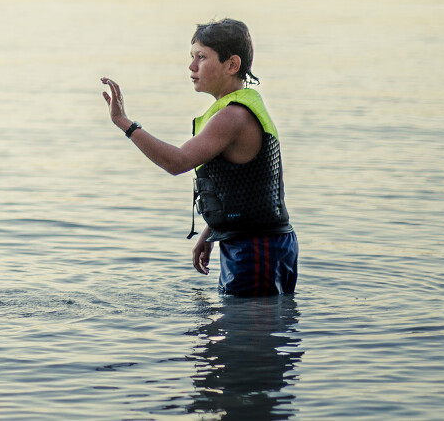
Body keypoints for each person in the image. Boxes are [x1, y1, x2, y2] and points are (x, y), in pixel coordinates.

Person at [100, 18, 298, 296]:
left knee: (248, 325)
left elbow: (177, 162)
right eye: (191, 57)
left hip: (256, 249)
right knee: (251, 322)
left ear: (232, 65)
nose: (192, 66)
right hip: (261, 243)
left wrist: (124, 122)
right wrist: (211, 231)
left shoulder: (233, 116)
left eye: (201, 57)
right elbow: (247, 187)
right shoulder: (241, 107)